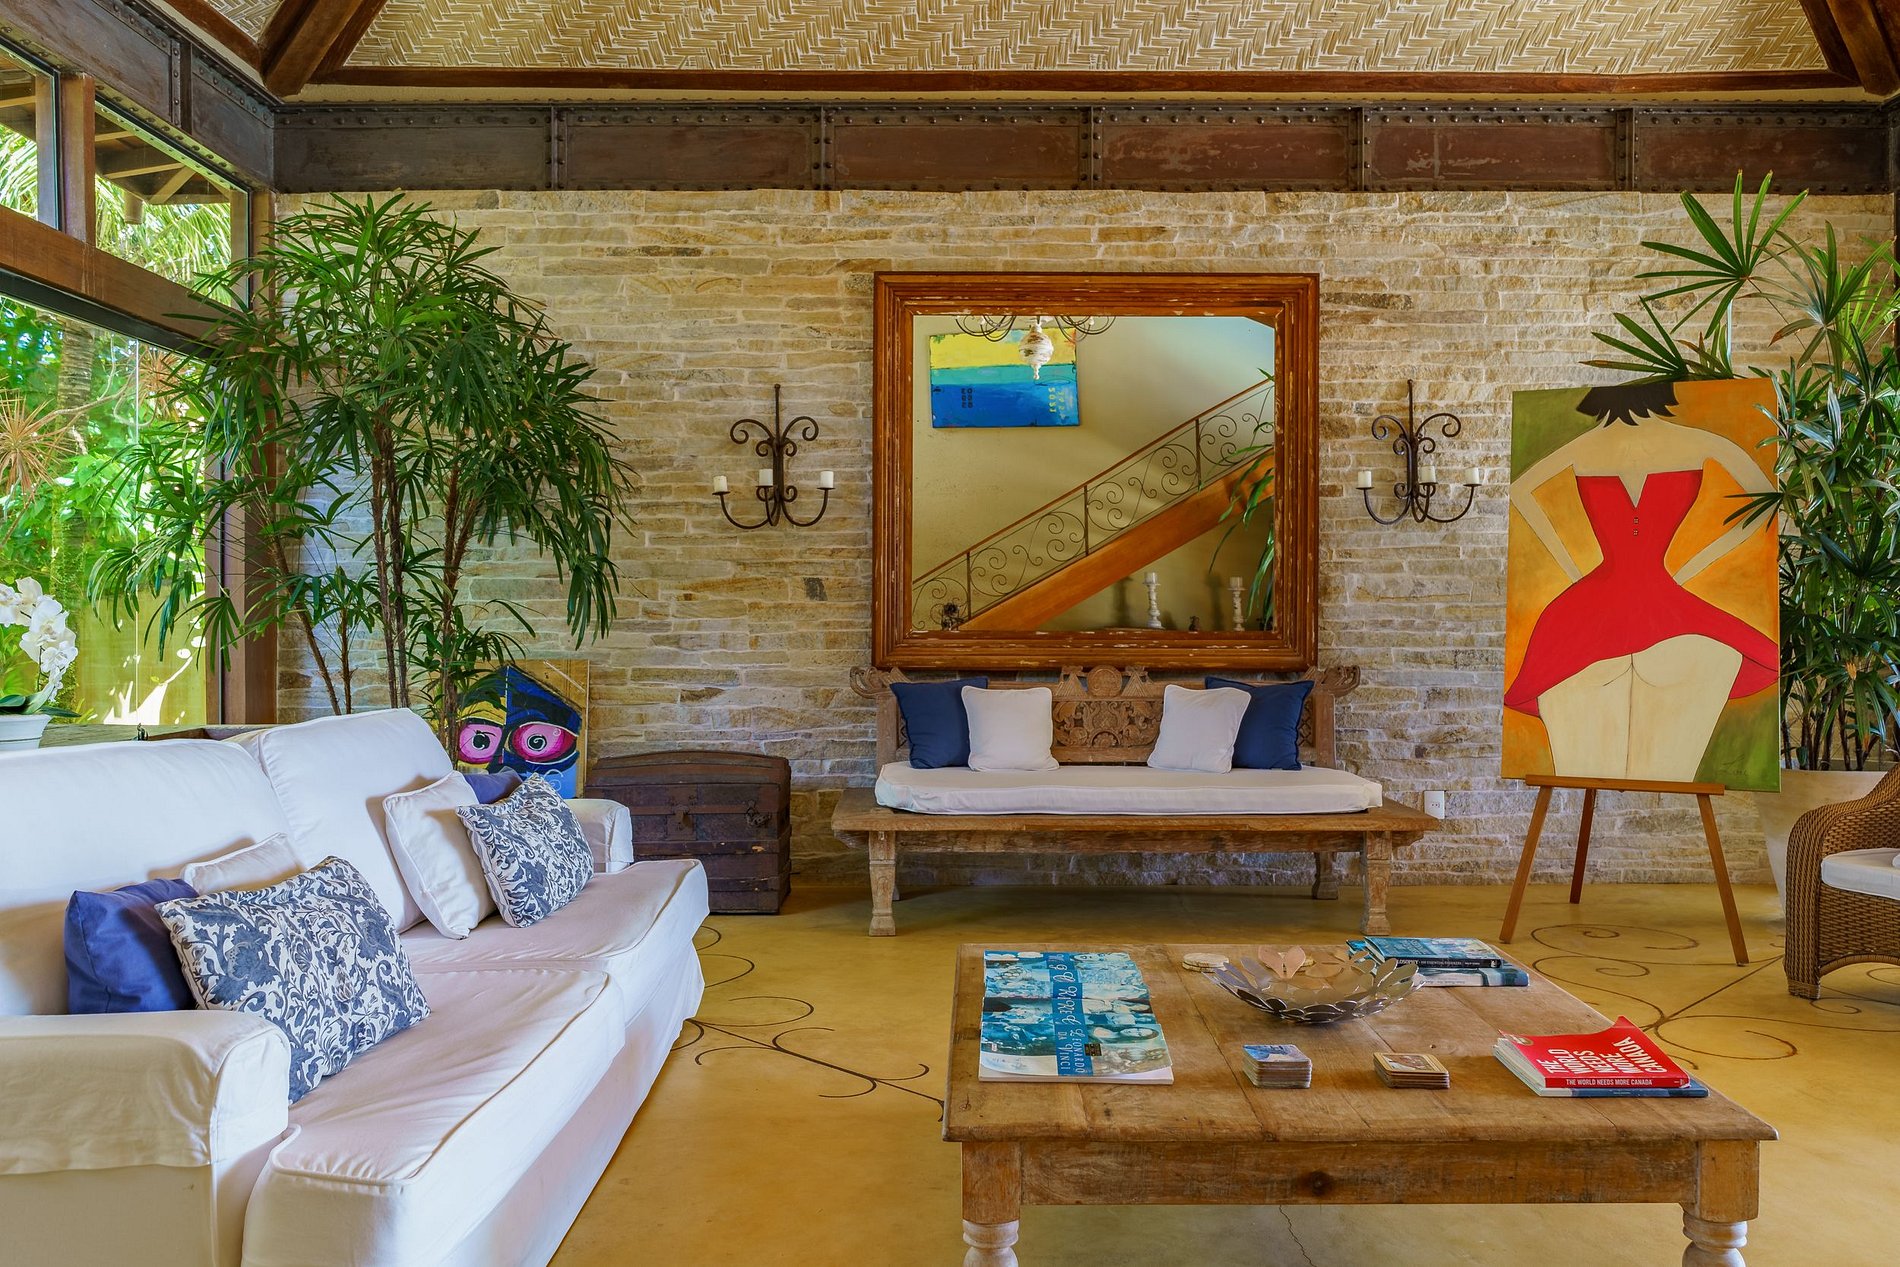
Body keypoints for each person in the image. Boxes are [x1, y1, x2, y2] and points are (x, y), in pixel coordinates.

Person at [1505, 382, 1776, 783]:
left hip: (1594, 601)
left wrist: (1571, 564)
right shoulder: (1698, 442)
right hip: (1660, 601)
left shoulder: (1584, 447)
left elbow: (1519, 490)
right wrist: (1695, 565)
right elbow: (1769, 497)